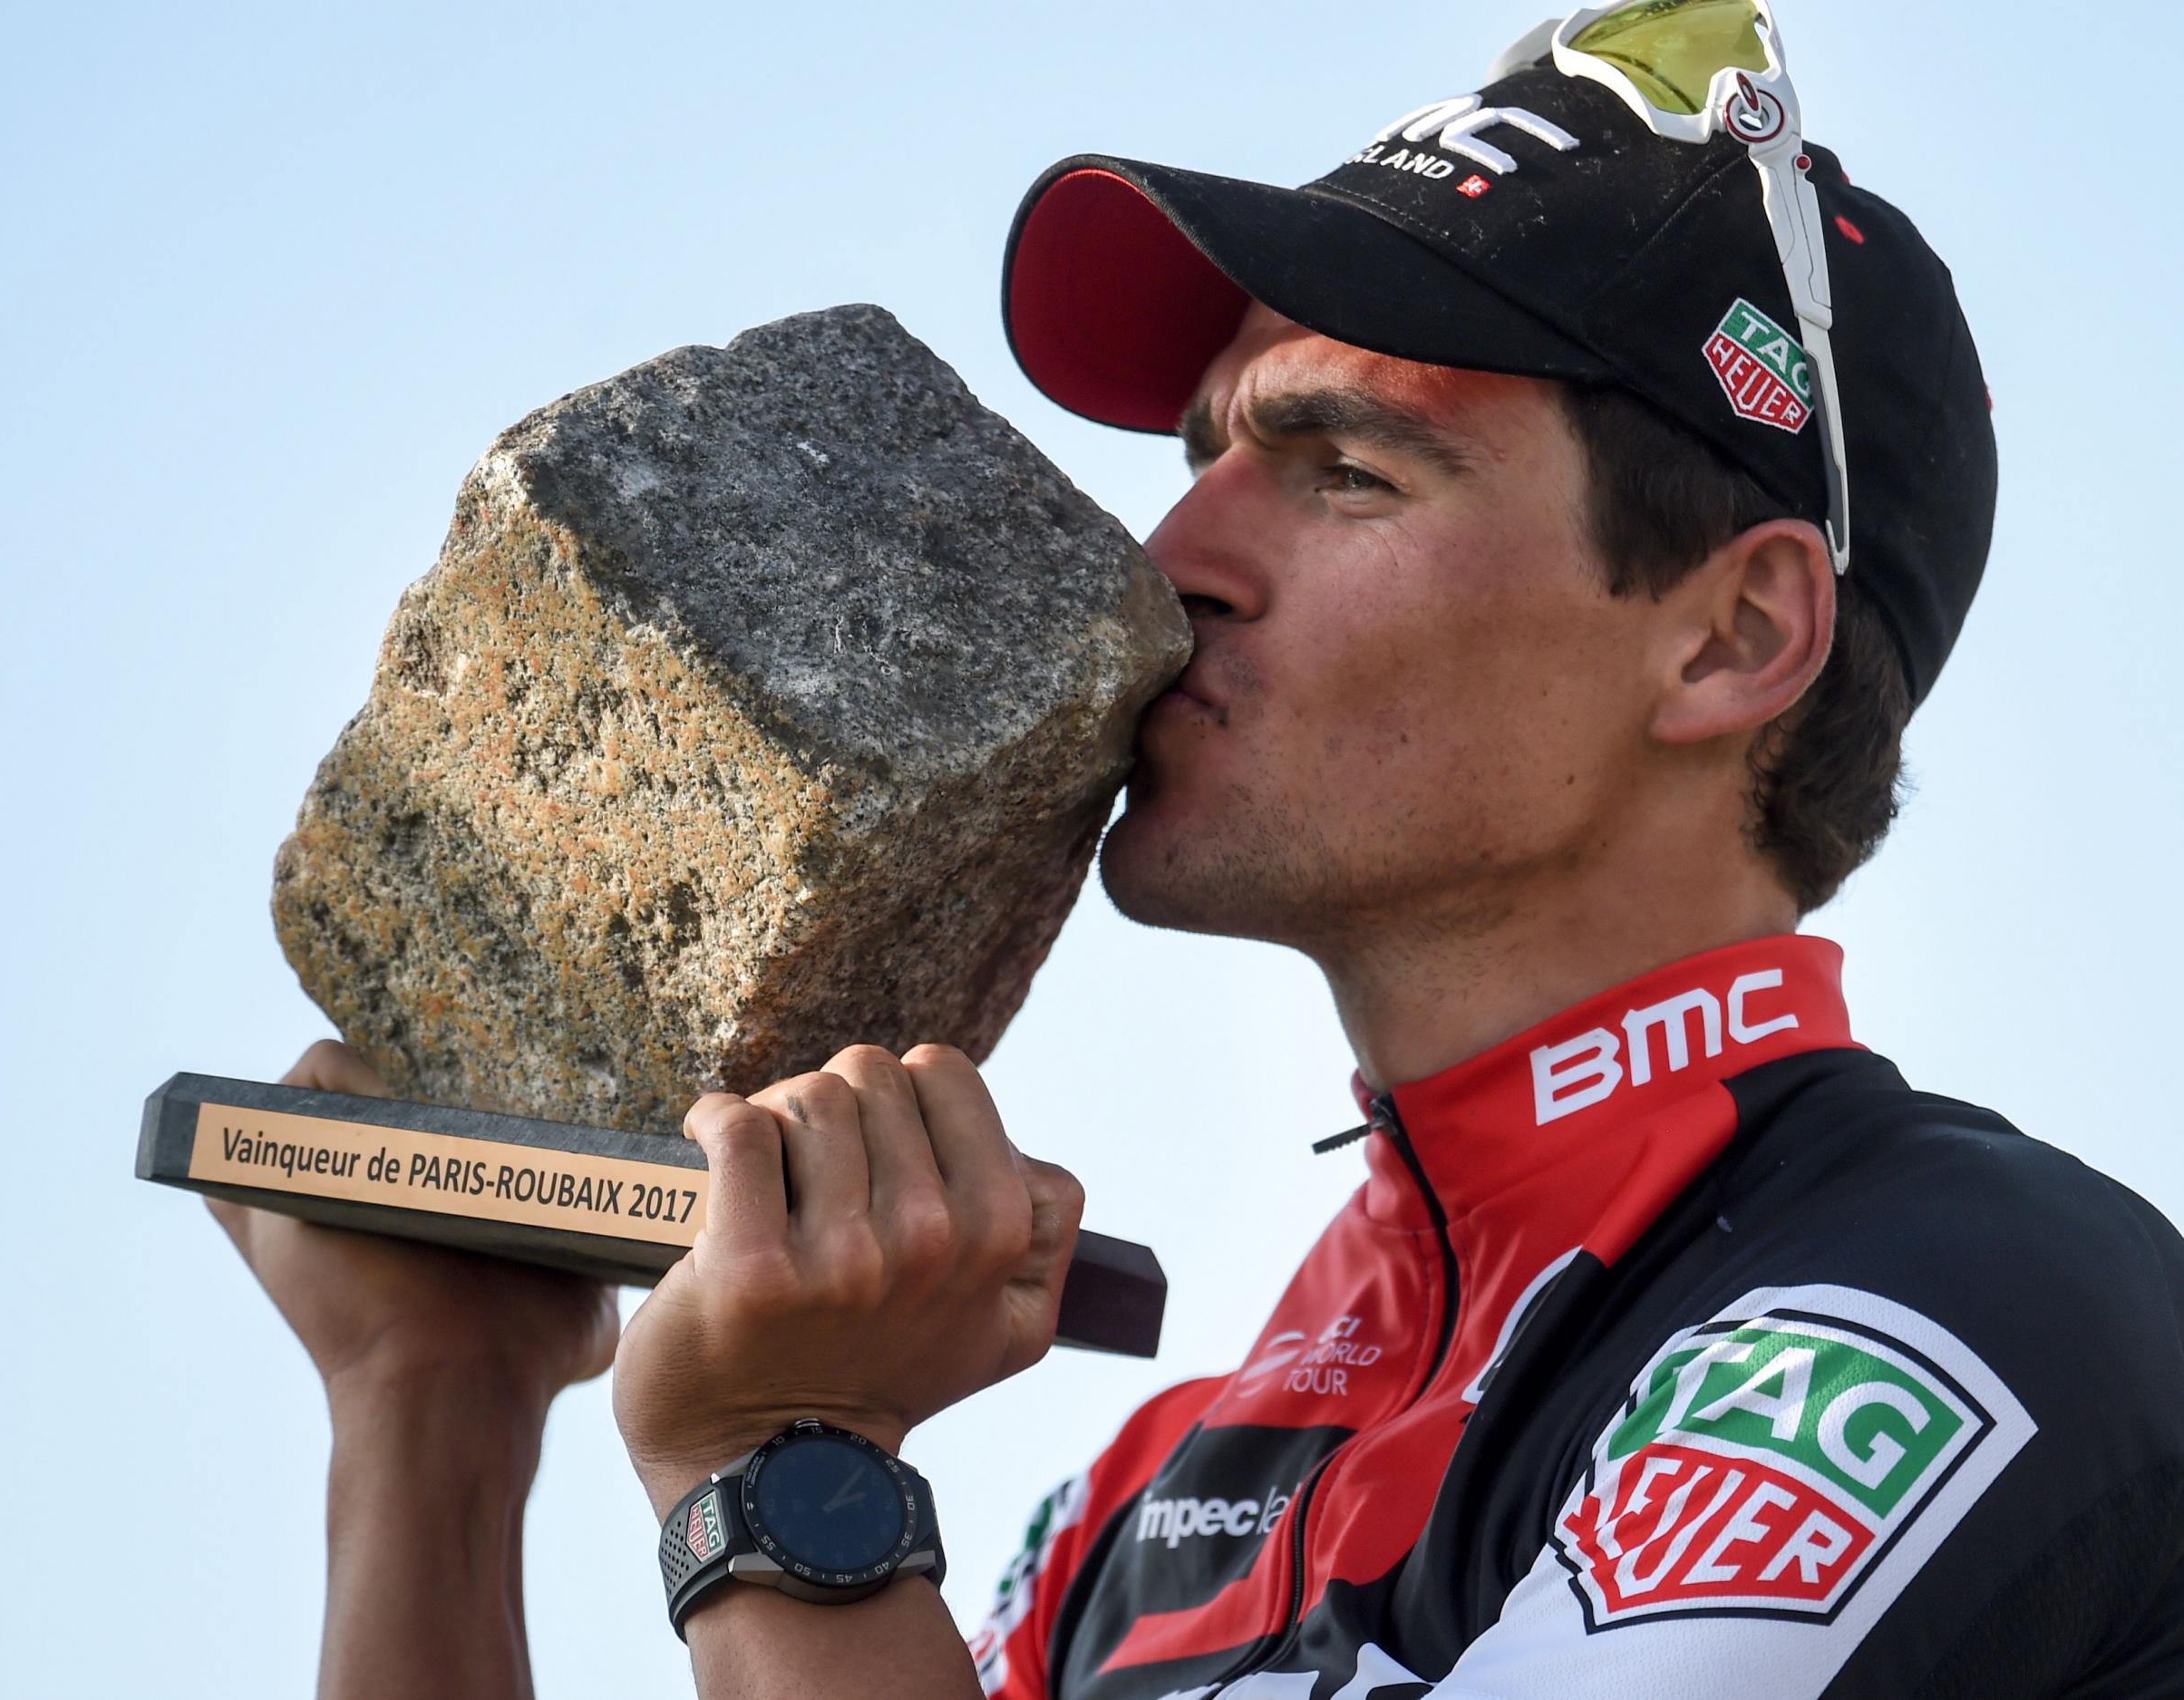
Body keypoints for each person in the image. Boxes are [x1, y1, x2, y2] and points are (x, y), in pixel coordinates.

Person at [210, 4, 2184, 1696]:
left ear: (1728, 631)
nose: (1170, 564)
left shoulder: (1948, 1321)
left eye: (1341, 470)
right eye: (1198, 457)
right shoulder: (1135, 1509)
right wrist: (433, 1418)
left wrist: (787, 1473)